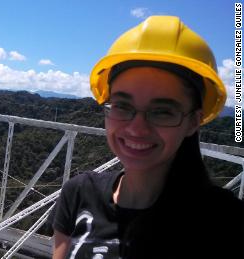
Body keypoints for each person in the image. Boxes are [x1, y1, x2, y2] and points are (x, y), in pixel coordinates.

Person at [52, 15, 244, 259]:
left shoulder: (226, 223)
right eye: (122, 105)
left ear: (193, 122)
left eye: (162, 112)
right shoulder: (78, 193)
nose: (136, 128)